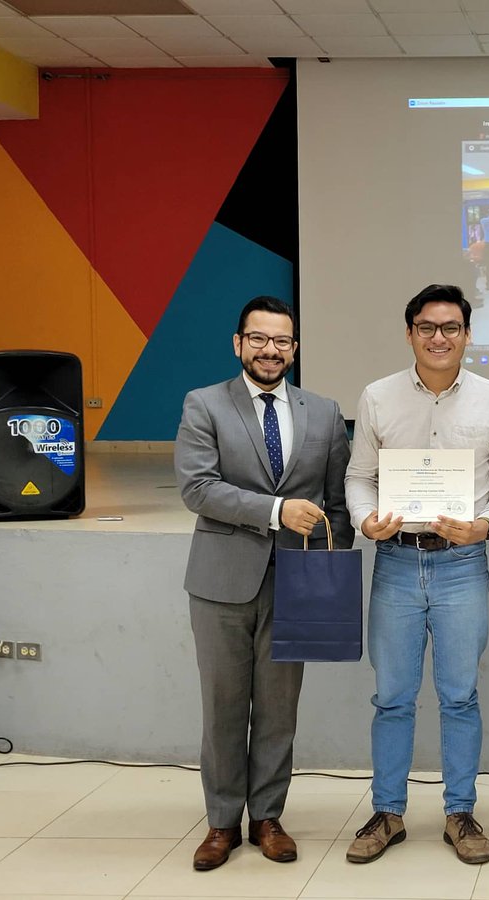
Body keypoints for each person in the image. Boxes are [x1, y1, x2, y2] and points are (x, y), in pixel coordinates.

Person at [174, 295, 354, 871]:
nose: (271, 350)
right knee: (223, 708)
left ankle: (269, 817)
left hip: (300, 584)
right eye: (260, 339)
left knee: (279, 710)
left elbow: (338, 502)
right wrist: (278, 512)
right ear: (239, 343)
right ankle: (222, 823)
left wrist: (330, 556)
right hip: (222, 583)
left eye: (282, 341)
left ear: (294, 349)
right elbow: (197, 489)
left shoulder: (324, 412)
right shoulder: (204, 405)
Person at [344, 283, 489, 866]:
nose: (438, 337)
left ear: (467, 335)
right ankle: (387, 813)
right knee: (391, 697)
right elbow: (359, 476)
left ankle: (460, 813)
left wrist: (487, 527)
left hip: (462, 565)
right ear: (410, 333)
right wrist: (365, 518)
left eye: (450, 327)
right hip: (395, 561)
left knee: (460, 697)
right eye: (427, 327)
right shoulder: (377, 397)